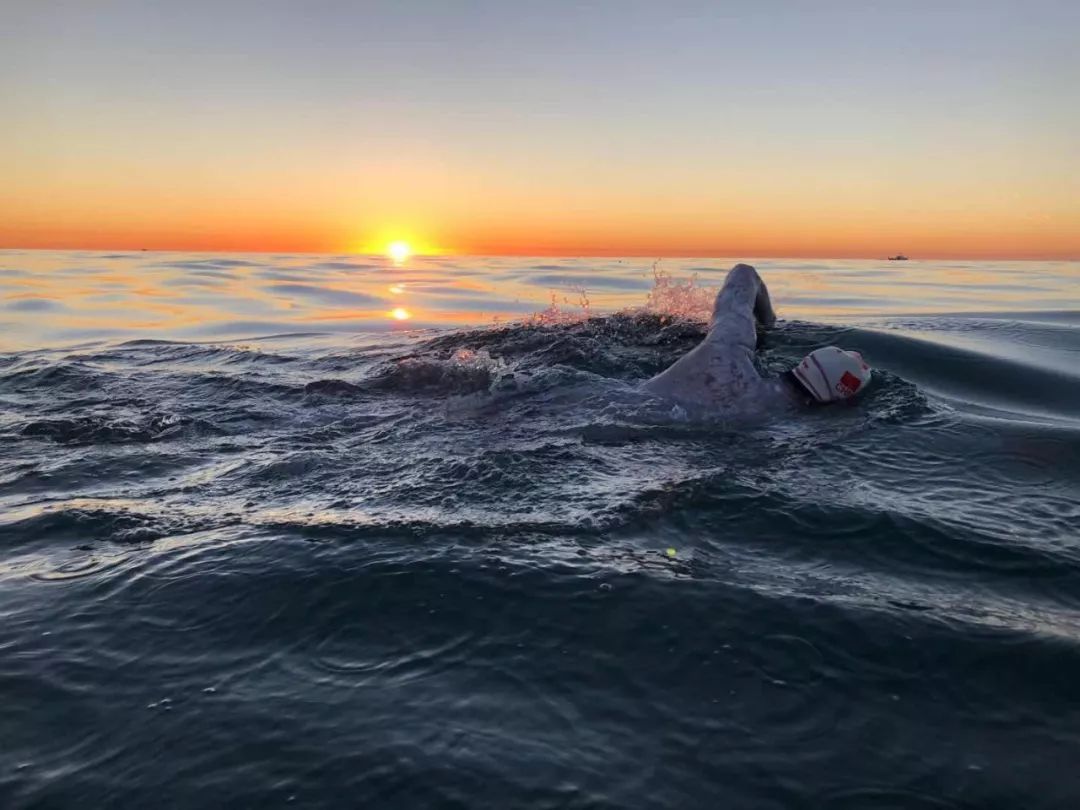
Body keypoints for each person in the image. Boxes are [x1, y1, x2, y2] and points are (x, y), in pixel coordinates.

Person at [642, 263, 871, 412]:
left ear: (806, 361)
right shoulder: (774, 432)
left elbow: (744, 273)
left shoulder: (727, 353)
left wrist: (766, 324)